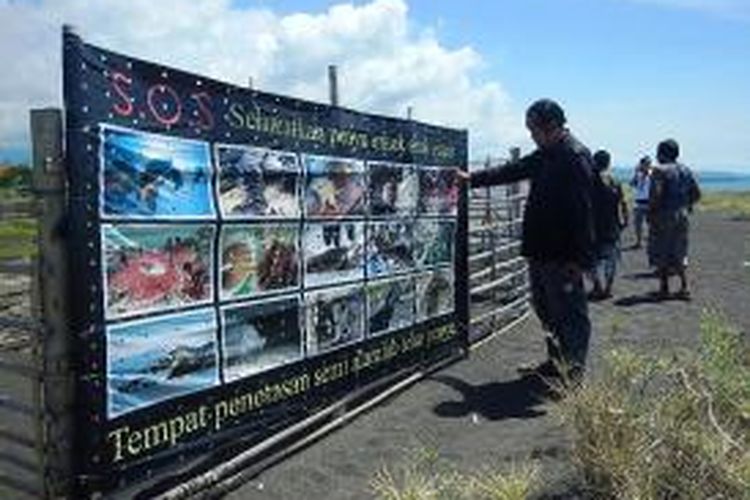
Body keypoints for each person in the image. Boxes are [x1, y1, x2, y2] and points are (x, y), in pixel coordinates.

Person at [462, 99, 595, 382]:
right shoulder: (546, 153)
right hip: (541, 249)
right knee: (546, 308)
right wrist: (471, 179)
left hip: (563, 254)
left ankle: (573, 372)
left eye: (534, 129)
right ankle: (556, 361)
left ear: (552, 127)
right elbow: (513, 170)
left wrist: (578, 259)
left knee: (570, 313)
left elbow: (583, 211)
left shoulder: (575, 156)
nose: (532, 135)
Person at [648, 139, 700, 299]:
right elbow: (696, 193)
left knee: (661, 249)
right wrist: (687, 204)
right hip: (682, 213)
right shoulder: (685, 170)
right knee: (680, 249)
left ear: (662, 153)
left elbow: (656, 194)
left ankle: (664, 288)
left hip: (664, 214)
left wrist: (651, 212)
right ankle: (684, 286)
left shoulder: (659, 171)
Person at [588, 150, 628, 300]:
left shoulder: (589, 180)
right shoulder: (615, 181)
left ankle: (597, 286)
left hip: (593, 225)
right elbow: (622, 202)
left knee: (591, 259)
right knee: (611, 259)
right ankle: (608, 288)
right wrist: (625, 219)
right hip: (612, 225)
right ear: (608, 163)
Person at [630, 156, 652, 248]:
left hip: (649, 202)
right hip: (639, 202)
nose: (645, 166)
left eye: (647, 164)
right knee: (638, 224)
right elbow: (632, 184)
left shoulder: (653, 174)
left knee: (651, 224)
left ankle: (651, 241)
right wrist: (636, 173)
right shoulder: (638, 175)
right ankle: (639, 242)